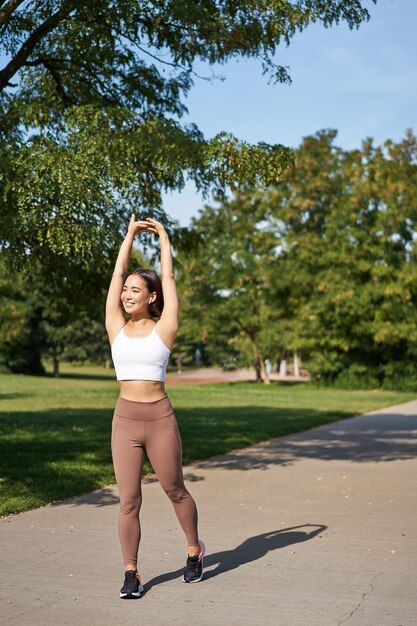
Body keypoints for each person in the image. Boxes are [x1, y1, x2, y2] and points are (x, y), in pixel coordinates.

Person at [106, 214, 205, 599]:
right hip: (125, 420)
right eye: (125, 289)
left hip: (159, 418)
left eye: (136, 290)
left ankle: (194, 551)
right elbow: (115, 277)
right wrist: (129, 235)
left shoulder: (166, 327)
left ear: (152, 296)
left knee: (175, 488)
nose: (127, 294)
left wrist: (164, 236)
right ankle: (131, 573)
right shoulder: (115, 325)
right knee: (128, 500)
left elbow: (170, 279)